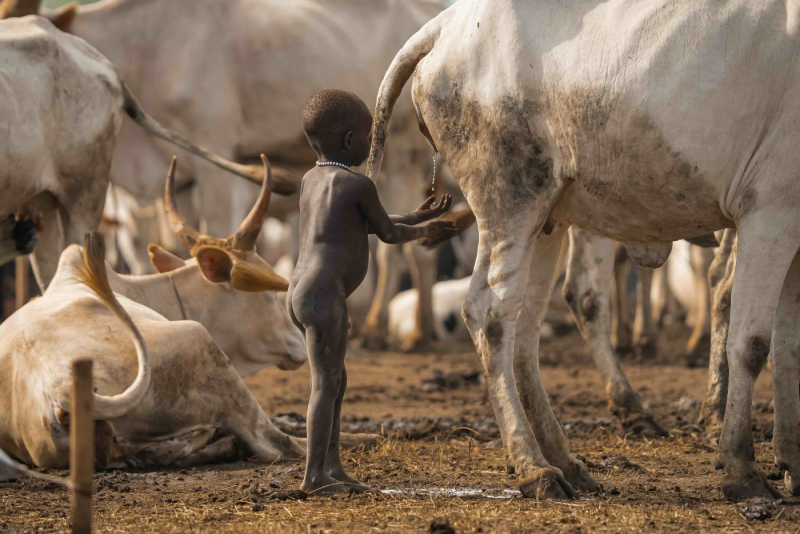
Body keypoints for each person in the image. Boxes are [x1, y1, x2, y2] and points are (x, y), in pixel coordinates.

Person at [288, 89, 457, 494]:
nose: (370, 144)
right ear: (349, 141)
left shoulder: (313, 180)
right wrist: (425, 230)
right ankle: (314, 478)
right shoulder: (358, 184)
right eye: (368, 136)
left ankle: (332, 467)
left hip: (302, 292)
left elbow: (361, 223)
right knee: (325, 386)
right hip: (326, 295)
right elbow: (387, 232)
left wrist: (418, 213)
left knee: (335, 381)